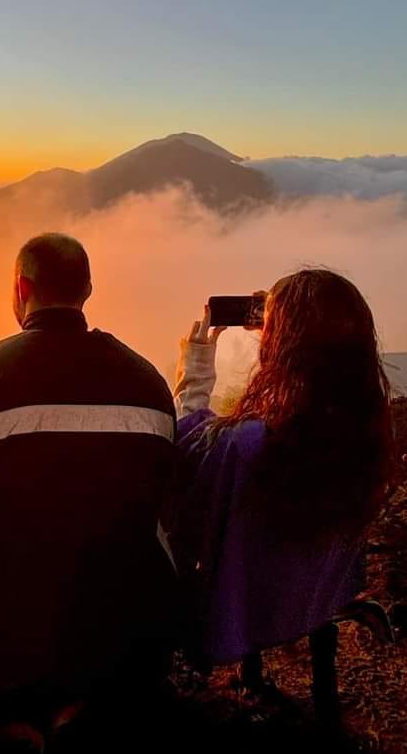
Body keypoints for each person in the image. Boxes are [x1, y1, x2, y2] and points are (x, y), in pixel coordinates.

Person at [0, 233, 178, 690]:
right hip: (128, 616)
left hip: (8, 623)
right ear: (87, 290)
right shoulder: (146, 380)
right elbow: (163, 493)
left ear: (22, 289)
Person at [168, 268, 393, 665]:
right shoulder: (364, 428)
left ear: (285, 346)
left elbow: (185, 461)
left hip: (253, 607)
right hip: (322, 592)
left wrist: (196, 373)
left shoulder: (249, 445)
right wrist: (282, 336)